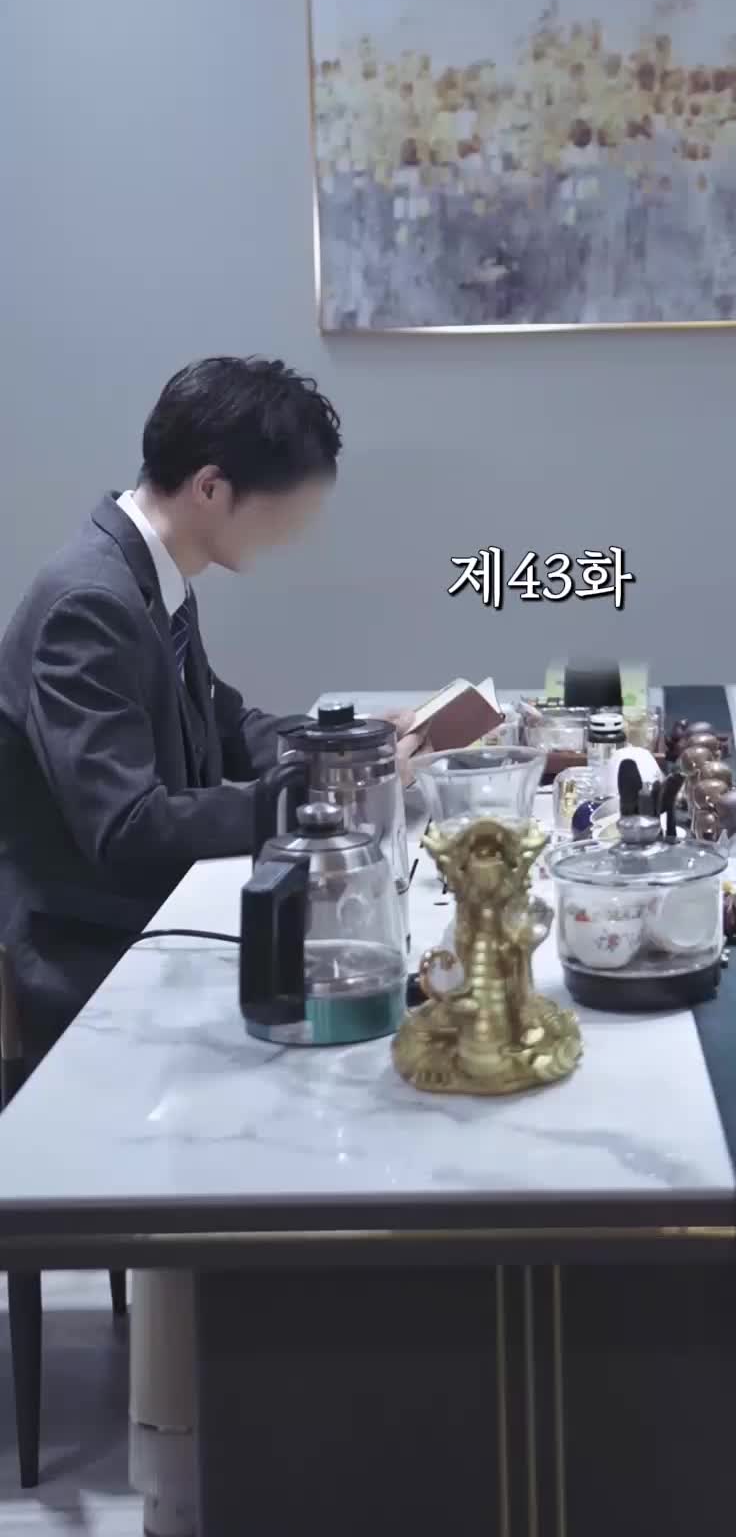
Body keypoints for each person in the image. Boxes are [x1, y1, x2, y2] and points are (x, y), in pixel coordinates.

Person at [0, 354, 420, 1068]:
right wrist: (319, 793)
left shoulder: (148, 576)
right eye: (285, 509)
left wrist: (355, 746)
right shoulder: (91, 602)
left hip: (157, 924)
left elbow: (227, 724)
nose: (296, 532)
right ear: (210, 488)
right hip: (94, 961)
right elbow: (127, 826)